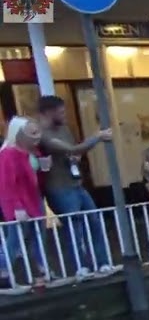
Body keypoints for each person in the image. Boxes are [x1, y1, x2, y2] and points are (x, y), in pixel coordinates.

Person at [35, 95, 114, 277]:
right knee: (74, 226)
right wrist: (98, 136)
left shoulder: (64, 129)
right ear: (48, 112)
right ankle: (81, 266)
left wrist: (75, 158)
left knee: (94, 221)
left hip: (76, 183)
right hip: (59, 187)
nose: (64, 115)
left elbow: (72, 152)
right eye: (61, 112)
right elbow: (71, 149)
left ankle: (102, 262)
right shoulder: (43, 135)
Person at [0, 116, 50, 289]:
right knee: (15, 239)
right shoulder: (8, 154)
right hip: (18, 201)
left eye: (38, 132)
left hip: (34, 199)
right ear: (20, 134)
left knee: (36, 236)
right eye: (33, 133)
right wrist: (16, 207)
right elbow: (6, 184)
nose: (37, 136)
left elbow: (35, 177)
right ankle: (3, 271)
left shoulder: (32, 153)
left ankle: (41, 271)